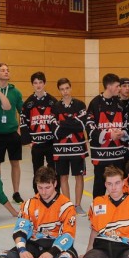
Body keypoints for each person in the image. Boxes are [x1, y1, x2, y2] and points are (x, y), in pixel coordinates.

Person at [50, 78, 88, 217]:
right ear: (59, 91)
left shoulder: (80, 105)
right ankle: (68, 205)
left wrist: (63, 123)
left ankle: (77, 205)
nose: (65, 91)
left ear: (70, 88)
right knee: (63, 176)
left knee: (79, 176)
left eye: (67, 88)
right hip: (61, 148)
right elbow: (55, 130)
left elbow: (81, 125)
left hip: (77, 147)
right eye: (62, 89)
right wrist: (72, 123)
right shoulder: (55, 107)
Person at [86, 73, 127, 198]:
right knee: (100, 184)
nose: (119, 88)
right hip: (101, 155)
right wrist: (108, 135)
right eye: (117, 86)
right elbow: (89, 128)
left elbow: (126, 124)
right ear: (109, 86)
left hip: (118, 154)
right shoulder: (95, 103)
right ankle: (97, 207)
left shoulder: (120, 104)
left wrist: (122, 133)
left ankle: (119, 207)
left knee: (119, 184)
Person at [0, 63, 24, 204]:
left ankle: (16, 192)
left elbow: (22, 112)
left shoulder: (15, 92)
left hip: (12, 133)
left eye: (7, 70)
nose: (6, 72)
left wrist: (20, 128)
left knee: (15, 163)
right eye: (3, 70)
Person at [20, 71, 57, 193]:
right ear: (32, 85)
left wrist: (56, 140)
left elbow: (58, 122)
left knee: (53, 170)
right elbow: (23, 122)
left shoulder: (52, 101)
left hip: (51, 143)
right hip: (36, 144)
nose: (38, 85)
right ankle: (37, 195)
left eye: (40, 82)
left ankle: (55, 194)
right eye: (35, 83)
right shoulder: (28, 103)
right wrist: (29, 142)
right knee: (37, 171)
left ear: (44, 83)